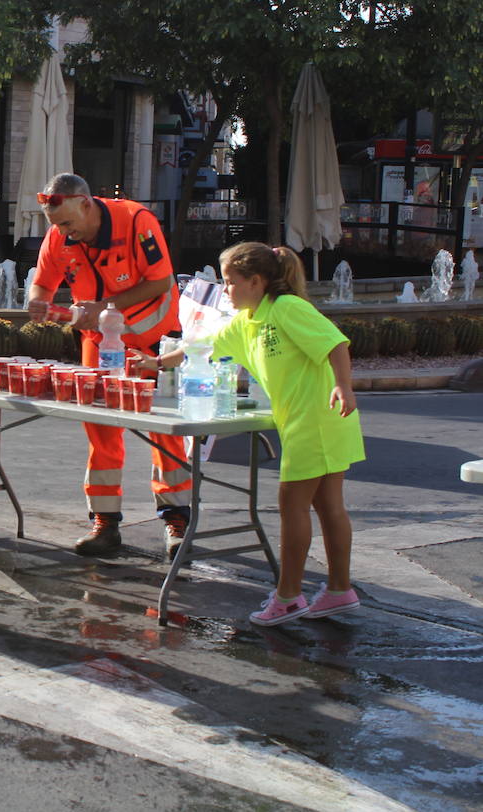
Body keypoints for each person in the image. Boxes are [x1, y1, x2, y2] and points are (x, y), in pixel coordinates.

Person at [139, 243, 363, 626]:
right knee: (327, 507)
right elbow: (201, 346)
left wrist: (343, 385)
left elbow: (335, 343)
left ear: (256, 282)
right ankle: (339, 591)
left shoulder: (287, 308)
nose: (224, 290)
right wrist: (156, 362)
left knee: (294, 507)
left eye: (230, 282)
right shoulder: (248, 321)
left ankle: (289, 597)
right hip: (315, 421)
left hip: (316, 420)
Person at [27, 172, 191, 558]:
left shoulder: (136, 221)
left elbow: (160, 282)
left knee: (164, 428)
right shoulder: (59, 234)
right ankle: (104, 523)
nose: (64, 233)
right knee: (99, 426)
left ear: (86, 204)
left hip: (152, 337)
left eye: (67, 223)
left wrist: (104, 307)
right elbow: (43, 283)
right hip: (99, 341)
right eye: (56, 226)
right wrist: (37, 299)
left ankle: (176, 519)